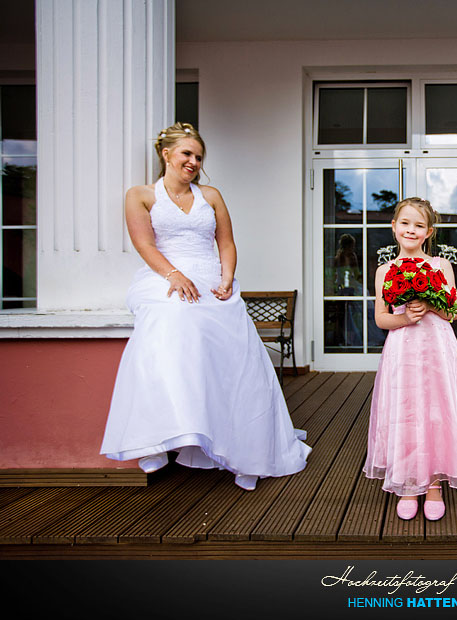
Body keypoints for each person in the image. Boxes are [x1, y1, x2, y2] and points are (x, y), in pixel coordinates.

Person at [100, 122, 311, 491]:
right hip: (164, 277)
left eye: (198, 156)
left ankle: (239, 441)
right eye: (186, 154)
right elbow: (144, 244)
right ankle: (159, 433)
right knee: (170, 323)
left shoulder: (211, 195)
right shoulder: (141, 195)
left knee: (233, 352)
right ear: (166, 154)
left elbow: (226, 243)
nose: (193, 161)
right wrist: (173, 276)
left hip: (211, 277)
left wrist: (227, 277)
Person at [363, 197, 457, 521]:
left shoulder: (440, 266)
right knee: (405, 410)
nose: (411, 230)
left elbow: (454, 312)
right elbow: (381, 319)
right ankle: (408, 482)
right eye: (405, 223)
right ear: (394, 227)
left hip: (436, 350)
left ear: (428, 232)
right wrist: (407, 317)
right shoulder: (385, 271)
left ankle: (433, 482)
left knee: (436, 410)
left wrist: (431, 306)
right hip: (403, 350)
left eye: (419, 225)